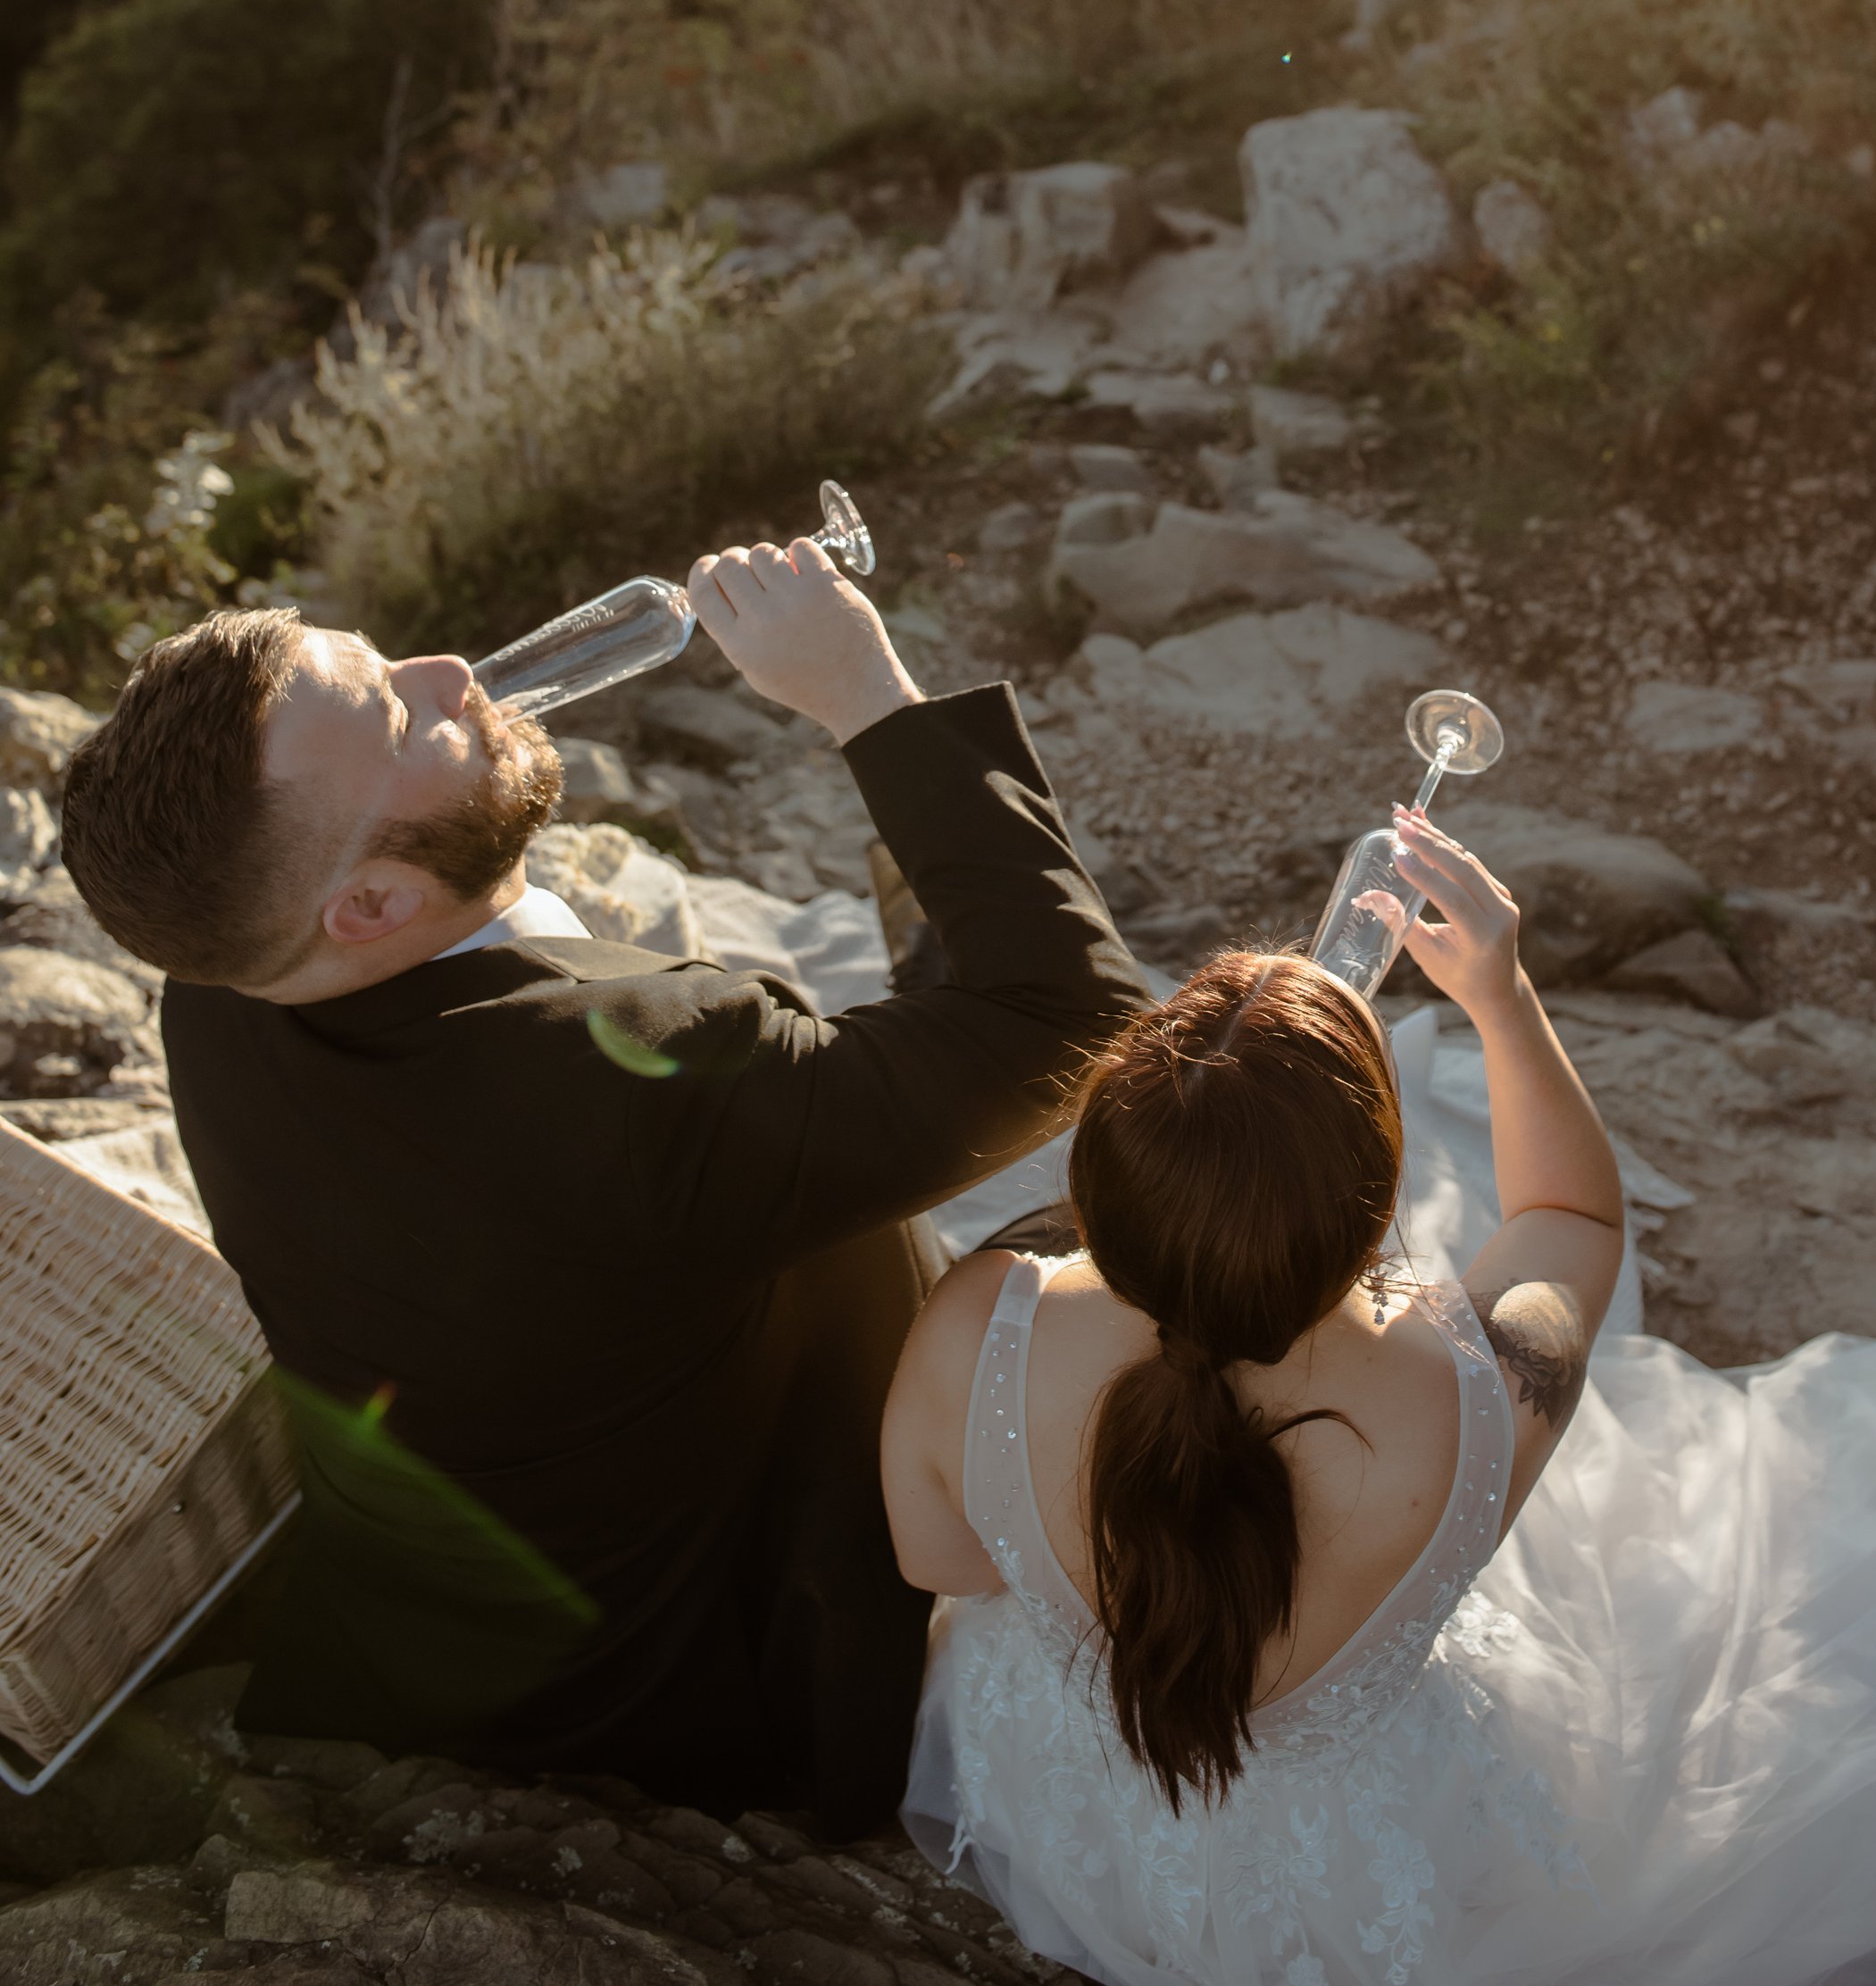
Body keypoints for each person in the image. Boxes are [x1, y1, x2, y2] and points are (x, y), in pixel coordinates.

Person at [881, 807, 1876, 1986]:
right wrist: (1502, 993)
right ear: (1366, 1222)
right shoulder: (1477, 1394)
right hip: (1378, 1890)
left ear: (1103, 1189)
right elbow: (1573, 1214)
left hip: (1079, 1840)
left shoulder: (970, 1328)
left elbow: (938, 1558)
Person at [59, 540, 1150, 1834]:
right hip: (706, 1692)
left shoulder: (220, 985)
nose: (449, 669)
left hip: (427, 1641)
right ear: (370, 905)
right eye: (403, 715)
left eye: (382, 661)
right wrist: (868, 695)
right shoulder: (629, 1082)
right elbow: (1071, 1014)